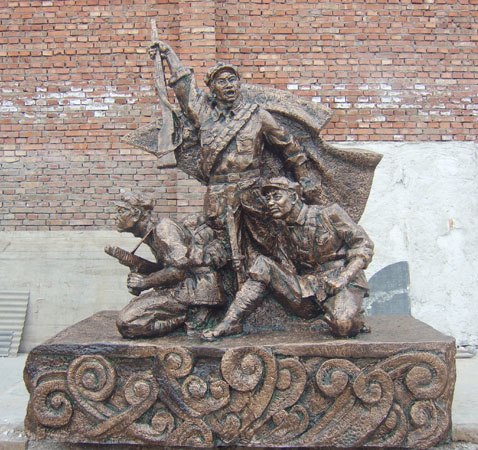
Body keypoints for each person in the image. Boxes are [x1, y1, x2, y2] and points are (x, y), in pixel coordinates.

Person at [148, 41, 321, 286]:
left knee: (266, 244)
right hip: (218, 193)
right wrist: (168, 54)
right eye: (222, 82)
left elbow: (290, 148)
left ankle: (288, 286)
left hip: (251, 191)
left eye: (232, 80)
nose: (229, 85)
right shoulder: (203, 115)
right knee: (222, 250)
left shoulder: (257, 116)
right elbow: (184, 88)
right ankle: (225, 296)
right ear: (212, 89)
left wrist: (305, 178)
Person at [202, 177, 374, 340]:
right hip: (308, 288)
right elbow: (283, 268)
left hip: (341, 283)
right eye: (268, 199)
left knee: (343, 326)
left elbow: (363, 246)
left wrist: (344, 277)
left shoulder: (329, 214)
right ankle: (231, 322)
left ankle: (352, 317)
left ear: (293, 197)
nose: (270, 203)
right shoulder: (282, 231)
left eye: (276, 196)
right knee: (263, 265)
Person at [105, 192, 228, 338]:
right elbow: (167, 268)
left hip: (191, 293)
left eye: (121, 211)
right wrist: (137, 263)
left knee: (127, 323)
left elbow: (180, 270)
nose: (115, 216)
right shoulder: (150, 234)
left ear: (136, 214)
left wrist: (145, 282)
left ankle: (191, 317)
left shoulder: (164, 229)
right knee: (130, 320)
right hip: (180, 289)